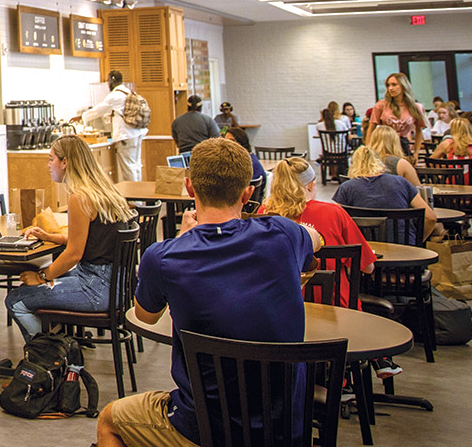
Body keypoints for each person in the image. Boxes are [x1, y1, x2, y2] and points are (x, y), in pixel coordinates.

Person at [96, 138, 325, 447]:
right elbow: (316, 238)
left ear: (190, 188)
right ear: (247, 193)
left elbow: (145, 316)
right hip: (285, 432)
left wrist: (181, 238)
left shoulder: (164, 257)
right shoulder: (283, 234)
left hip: (205, 428)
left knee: (110, 419)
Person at [5, 135, 134, 341]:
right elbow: (91, 239)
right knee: (36, 289)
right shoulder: (103, 191)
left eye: (51, 159)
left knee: (16, 299)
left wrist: (42, 277)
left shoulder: (80, 197)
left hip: (96, 288)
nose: (49, 165)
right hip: (117, 285)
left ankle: (53, 351)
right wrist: (50, 236)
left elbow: (74, 254)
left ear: (64, 162)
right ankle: (60, 342)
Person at [259, 157, 374, 308]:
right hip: (336, 307)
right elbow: (368, 267)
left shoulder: (263, 214)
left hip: (282, 307)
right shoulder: (334, 213)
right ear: (311, 185)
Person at [332, 146, 437, 244]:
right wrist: (417, 242)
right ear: (380, 163)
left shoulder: (347, 188)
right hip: (404, 248)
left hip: (366, 250)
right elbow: (430, 217)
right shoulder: (401, 182)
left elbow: (336, 224)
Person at [81, 71, 147, 182]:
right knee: (136, 166)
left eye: (108, 81)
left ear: (112, 80)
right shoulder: (129, 92)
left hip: (125, 136)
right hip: (137, 134)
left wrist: (83, 116)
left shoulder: (114, 96)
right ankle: (139, 191)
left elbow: (99, 110)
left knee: (128, 168)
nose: (108, 84)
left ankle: (133, 193)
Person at [365, 72, 427, 155]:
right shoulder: (381, 105)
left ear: (403, 86)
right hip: (384, 144)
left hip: (403, 144)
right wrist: (368, 149)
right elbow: (371, 128)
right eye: (388, 85)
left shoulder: (416, 107)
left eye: (394, 85)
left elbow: (419, 131)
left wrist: (416, 152)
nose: (390, 88)